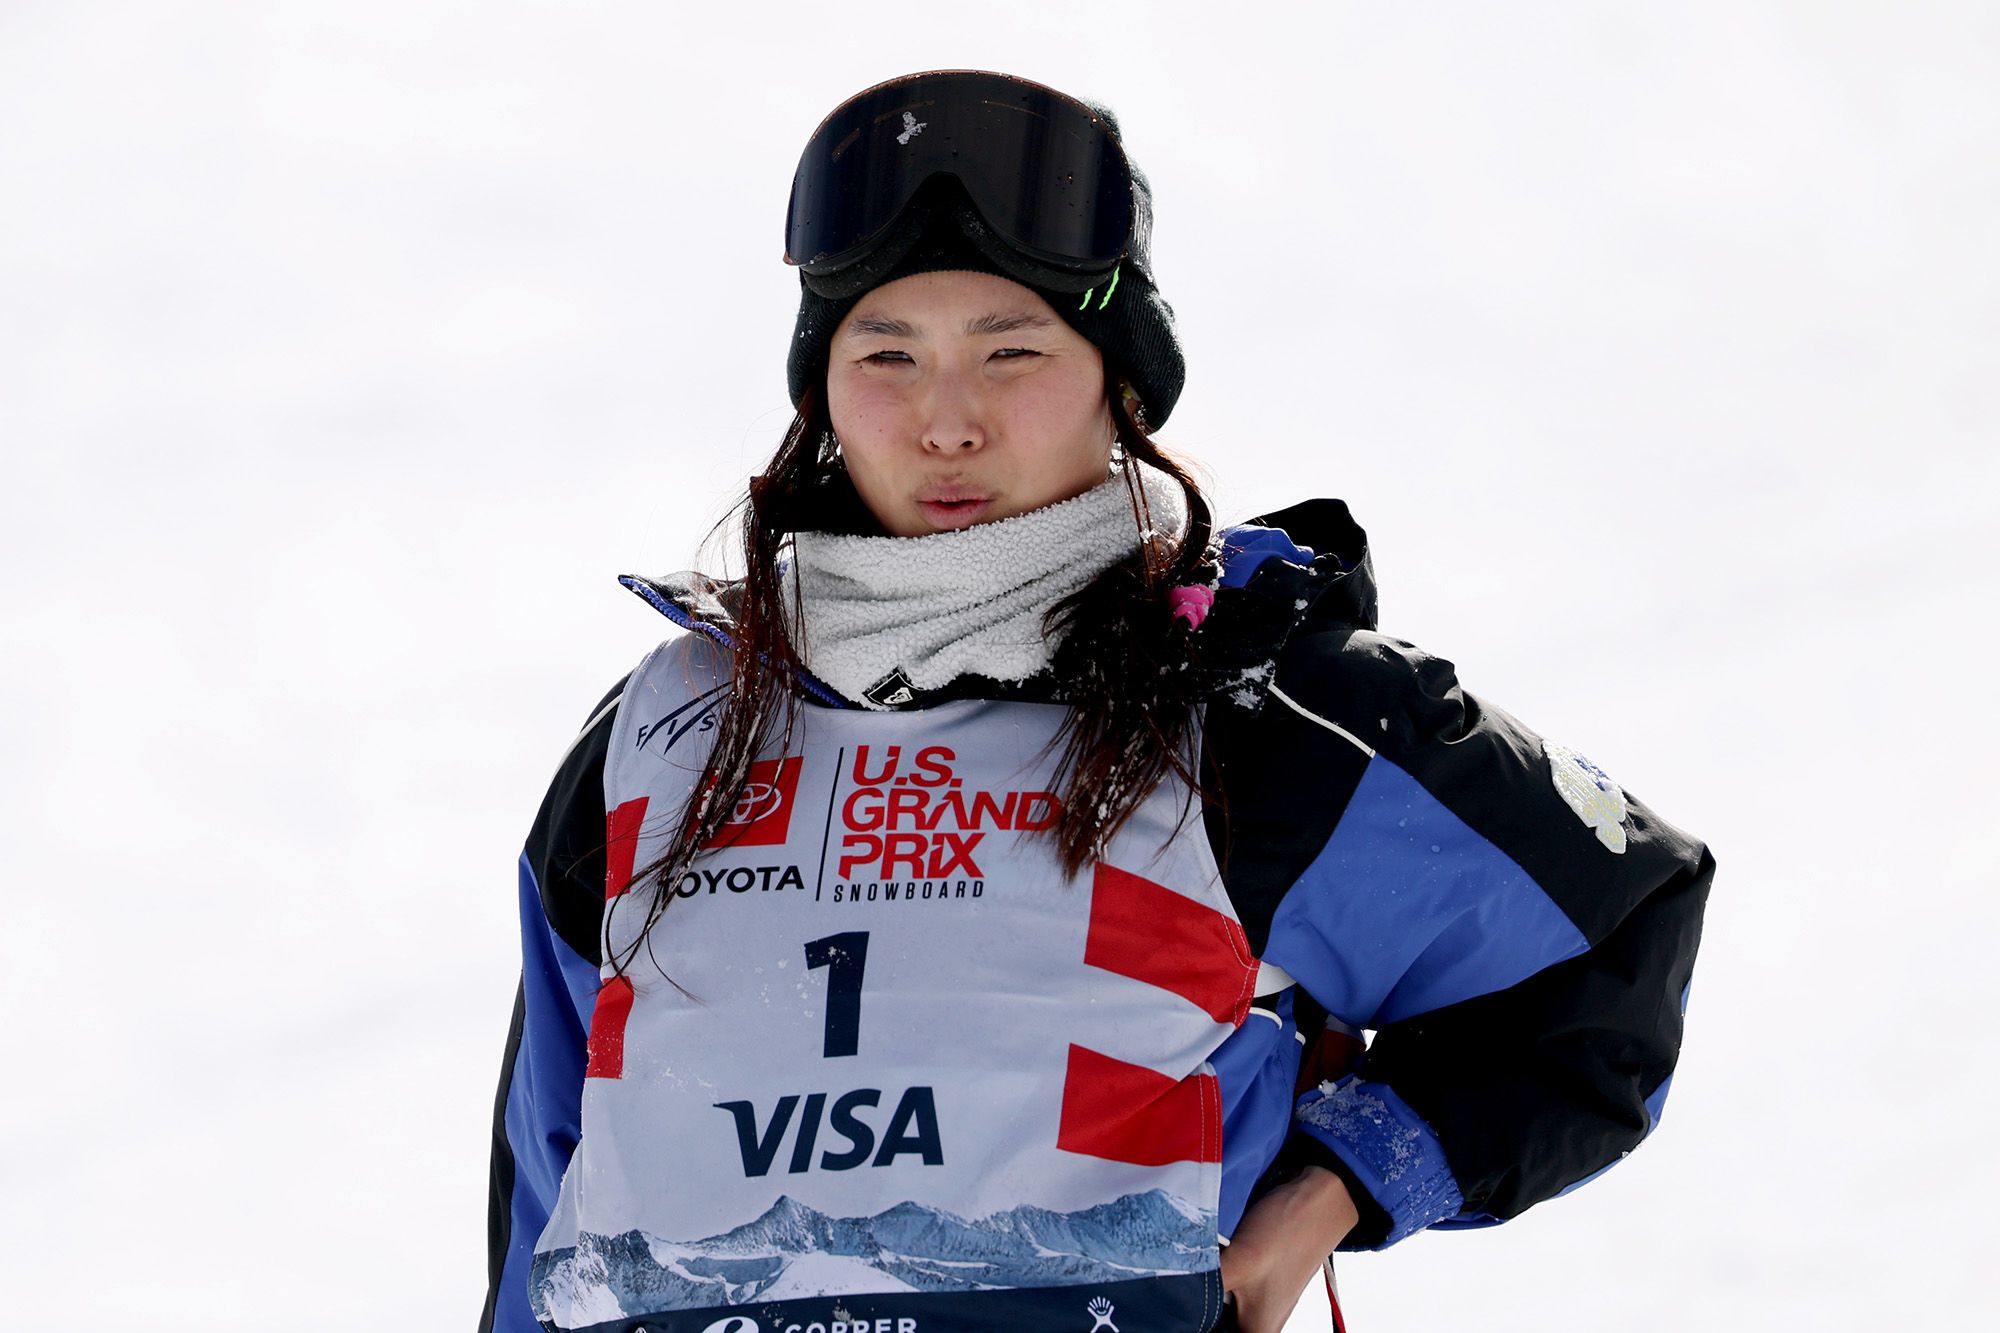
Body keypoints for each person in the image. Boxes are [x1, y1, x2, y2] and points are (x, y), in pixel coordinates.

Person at [480, 71, 1712, 1333]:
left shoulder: (1250, 712)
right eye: (885, 354)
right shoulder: (666, 731)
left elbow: (1608, 945)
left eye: (1010, 352)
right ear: (822, 387)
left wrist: (1328, 1194)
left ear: (1119, 381)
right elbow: (550, 1182)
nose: (945, 420)